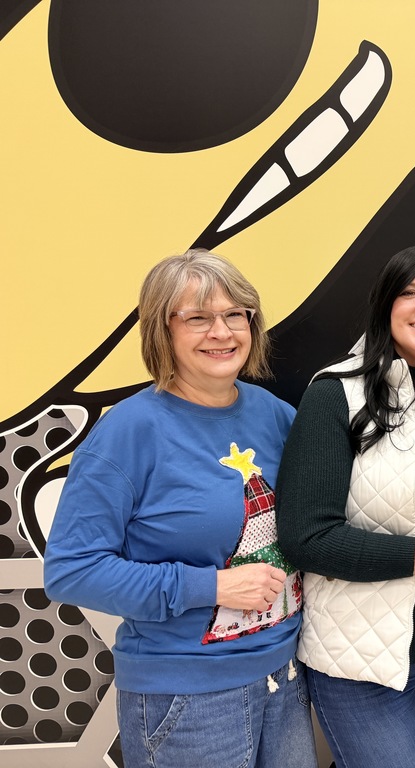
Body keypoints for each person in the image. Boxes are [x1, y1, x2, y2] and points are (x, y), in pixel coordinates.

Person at [44, 249, 315, 768]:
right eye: (197, 318)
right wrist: (210, 587)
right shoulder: (128, 433)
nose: (222, 331)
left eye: (236, 314)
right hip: (187, 696)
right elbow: (70, 571)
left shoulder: (277, 416)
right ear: (161, 332)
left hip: (285, 677)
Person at [276, 244, 415, 768]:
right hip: (361, 665)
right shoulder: (335, 395)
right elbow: (308, 537)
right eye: (410, 293)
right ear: (385, 305)